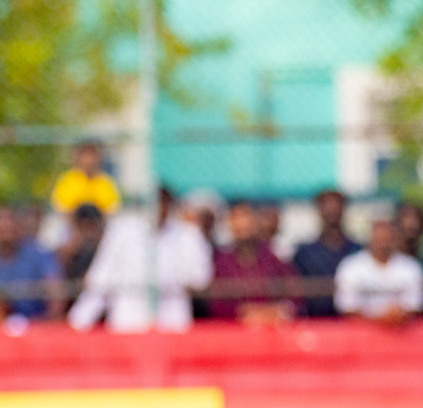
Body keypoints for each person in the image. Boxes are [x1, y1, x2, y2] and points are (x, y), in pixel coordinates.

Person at [68, 187, 213, 334]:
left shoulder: (188, 236)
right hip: (129, 325)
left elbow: (200, 279)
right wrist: (78, 322)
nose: (159, 209)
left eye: (164, 203)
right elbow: (100, 280)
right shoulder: (122, 232)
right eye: (155, 203)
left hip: (171, 324)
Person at [209, 200, 299, 325]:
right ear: (230, 225)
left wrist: (270, 312)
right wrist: (244, 314)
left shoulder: (275, 257)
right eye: (237, 219)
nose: (243, 225)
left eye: (247, 218)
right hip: (234, 332)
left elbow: (295, 296)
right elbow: (217, 305)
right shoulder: (221, 263)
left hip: (272, 330)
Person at [334, 217, 423, 326]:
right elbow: (347, 307)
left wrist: (396, 315)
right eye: (379, 240)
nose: (383, 245)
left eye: (387, 240)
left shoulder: (410, 267)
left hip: (402, 331)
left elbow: (415, 305)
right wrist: (379, 319)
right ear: (370, 239)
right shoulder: (350, 267)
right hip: (362, 333)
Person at [292, 190, 361, 319]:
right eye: (326, 205)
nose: (332, 210)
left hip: (353, 322)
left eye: (336, 205)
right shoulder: (304, 253)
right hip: (316, 322)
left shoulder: (358, 251)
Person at [50, 140, 121, 216]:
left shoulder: (105, 182)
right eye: (86, 155)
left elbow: (112, 208)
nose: (90, 160)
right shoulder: (67, 180)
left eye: (93, 155)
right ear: (78, 157)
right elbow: (60, 206)